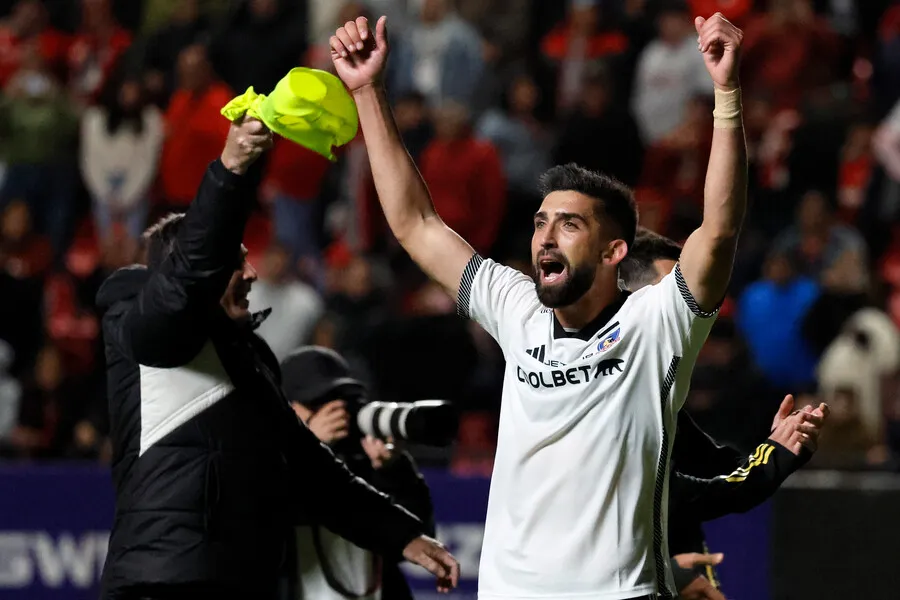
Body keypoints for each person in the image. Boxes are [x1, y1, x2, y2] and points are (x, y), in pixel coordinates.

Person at [331, 11, 746, 600]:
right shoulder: (517, 309)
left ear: (613, 251)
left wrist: (726, 94)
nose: (546, 237)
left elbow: (720, 230)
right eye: (540, 222)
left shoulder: (655, 324)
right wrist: (367, 91)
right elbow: (416, 224)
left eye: (569, 225)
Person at [95, 116, 459, 600]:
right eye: (235, 259)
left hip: (242, 583)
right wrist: (230, 171)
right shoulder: (138, 317)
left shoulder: (251, 357)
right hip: (165, 583)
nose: (251, 272)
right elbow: (181, 288)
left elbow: (310, 467)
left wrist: (401, 535)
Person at [620, 227, 831, 600]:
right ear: (629, 300)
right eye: (672, 294)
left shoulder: (662, 396)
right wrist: (668, 573)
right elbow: (674, 494)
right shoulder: (609, 392)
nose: (687, 308)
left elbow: (719, 469)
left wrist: (778, 444)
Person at [281, 346, 434, 600]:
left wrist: (393, 470)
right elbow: (272, 522)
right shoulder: (268, 461)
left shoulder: (364, 457)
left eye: (341, 399)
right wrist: (310, 448)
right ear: (286, 406)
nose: (335, 412)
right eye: (318, 402)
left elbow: (419, 538)